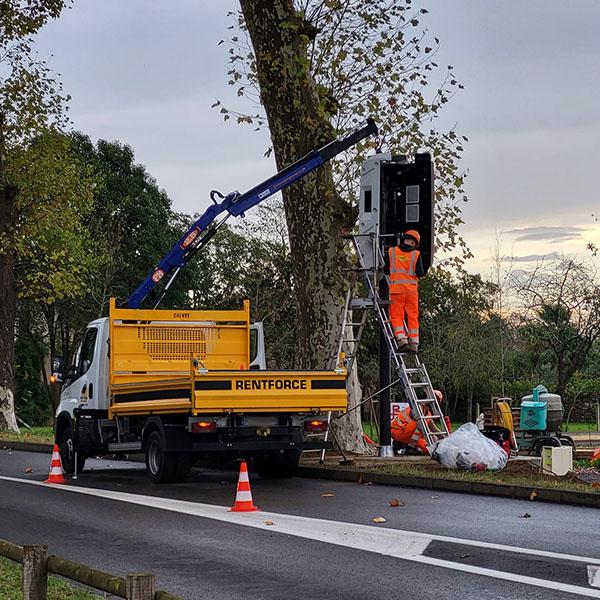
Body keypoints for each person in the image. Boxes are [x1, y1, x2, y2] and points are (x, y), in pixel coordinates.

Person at [385, 229, 424, 353]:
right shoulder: (416, 255)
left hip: (396, 291)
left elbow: (386, 270)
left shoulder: (391, 252)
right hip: (411, 291)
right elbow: (420, 273)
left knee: (396, 316)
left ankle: (402, 340)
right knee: (413, 316)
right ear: (414, 243)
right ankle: (414, 344)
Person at [390, 389, 445, 455]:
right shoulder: (418, 408)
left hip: (405, 433)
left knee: (425, 448)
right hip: (398, 431)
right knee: (422, 426)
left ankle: (401, 446)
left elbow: (435, 430)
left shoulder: (427, 414)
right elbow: (420, 428)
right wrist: (432, 439)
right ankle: (410, 447)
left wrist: (446, 440)